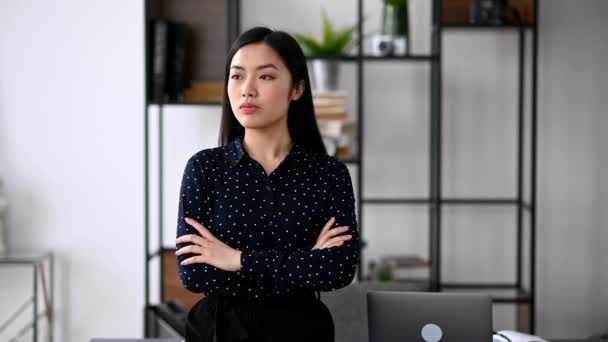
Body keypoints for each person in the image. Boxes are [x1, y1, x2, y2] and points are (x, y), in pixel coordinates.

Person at [175, 26, 359, 342]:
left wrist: (236, 260)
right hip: (220, 331)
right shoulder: (205, 168)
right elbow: (195, 274)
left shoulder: (329, 174)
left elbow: (337, 270)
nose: (247, 89)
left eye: (265, 77)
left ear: (297, 88)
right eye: (237, 76)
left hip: (302, 332)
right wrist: (303, 265)